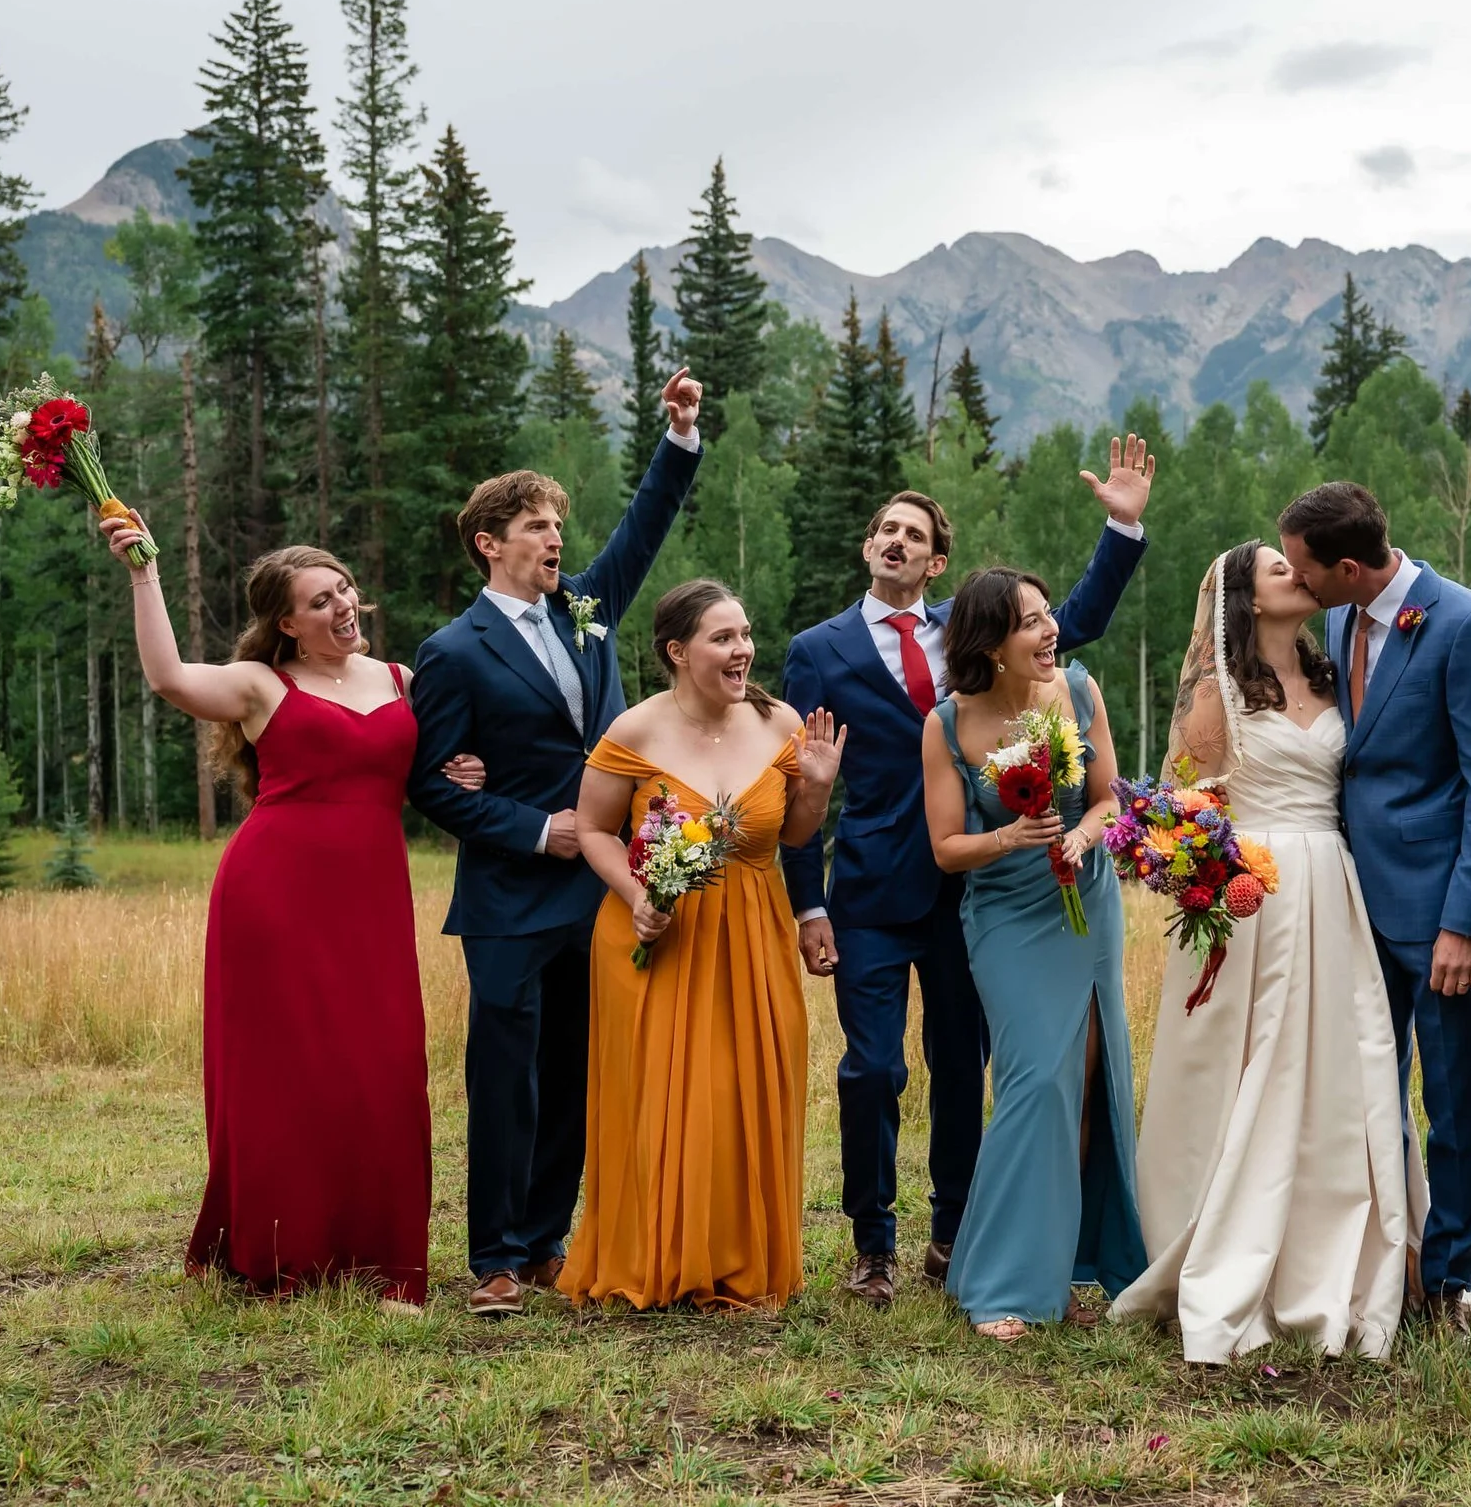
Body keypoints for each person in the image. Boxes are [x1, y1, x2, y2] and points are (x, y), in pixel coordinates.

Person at [780, 440, 1153, 1308]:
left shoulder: (979, 629)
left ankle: (954, 1233)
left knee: (962, 1065)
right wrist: (807, 900)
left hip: (976, 899)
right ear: (868, 547)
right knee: (871, 1071)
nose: (895, 541)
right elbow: (806, 777)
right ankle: (873, 1243)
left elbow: (1074, 621)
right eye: (884, 530)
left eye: (912, 532)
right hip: (872, 889)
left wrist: (1121, 529)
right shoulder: (817, 647)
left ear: (938, 560)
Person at [408, 369, 706, 1318]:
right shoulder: (452, 652)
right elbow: (429, 787)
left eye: (557, 524)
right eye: (536, 524)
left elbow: (644, 528)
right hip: (508, 893)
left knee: (578, 1069)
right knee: (505, 1077)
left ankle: (544, 1240)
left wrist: (679, 438)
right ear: (490, 544)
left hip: (599, 890)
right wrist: (540, 828)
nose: (555, 538)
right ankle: (492, 1254)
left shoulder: (587, 612)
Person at [99, 520, 440, 1312]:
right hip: (274, 895)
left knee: (386, 1064)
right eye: (321, 600)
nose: (343, 605)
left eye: (345, 588)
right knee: (285, 1075)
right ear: (287, 623)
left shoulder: (401, 678)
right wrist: (144, 572)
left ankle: (391, 1262)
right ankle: (283, 1249)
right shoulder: (263, 686)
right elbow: (169, 678)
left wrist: (463, 765)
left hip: (372, 899)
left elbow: (433, 769)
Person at [1110, 541, 1413, 1360]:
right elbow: (1176, 803)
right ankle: (1229, 1238)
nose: (1300, 573)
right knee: (1253, 1063)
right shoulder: (1219, 695)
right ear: (1244, 598)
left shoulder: (1334, 674)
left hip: (1332, 886)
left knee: (1338, 1064)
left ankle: (1335, 1239)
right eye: (1280, 569)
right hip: (1254, 896)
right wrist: (1203, 874)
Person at [1276, 482, 1471, 1331]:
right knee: (1368, 1093)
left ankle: (1449, 1280)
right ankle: (1383, 1259)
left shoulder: (1467, 626)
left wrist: (1466, 923)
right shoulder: (1344, 618)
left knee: (1452, 1101)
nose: (1299, 586)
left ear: (1349, 567)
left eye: (1307, 573)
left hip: (1437, 915)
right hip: (1351, 903)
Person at [559, 580, 844, 1311]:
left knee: (746, 1086)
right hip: (661, 935)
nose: (743, 648)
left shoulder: (779, 721)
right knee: (665, 1095)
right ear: (678, 651)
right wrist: (637, 896)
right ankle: (657, 1252)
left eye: (745, 633)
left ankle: (733, 1257)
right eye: (723, 638)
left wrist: (815, 787)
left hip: (753, 931)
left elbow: (795, 835)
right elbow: (591, 827)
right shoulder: (635, 730)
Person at [920, 567, 1144, 1337]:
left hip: (1088, 903)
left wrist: (1082, 833)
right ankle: (1005, 1280)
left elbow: (1112, 796)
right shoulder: (948, 724)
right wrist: (1010, 836)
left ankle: (1061, 1265)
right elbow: (947, 848)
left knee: (1083, 1081)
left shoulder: (1079, 692)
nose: (1051, 631)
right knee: (1032, 1080)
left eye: (1049, 616)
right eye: (1030, 622)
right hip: (1007, 913)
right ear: (990, 641)